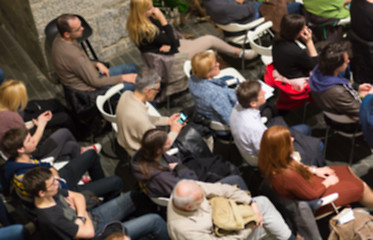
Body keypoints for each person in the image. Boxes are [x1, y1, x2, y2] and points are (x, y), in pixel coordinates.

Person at [22, 167, 169, 240]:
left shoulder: (51, 193)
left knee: (135, 196)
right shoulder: (52, 219)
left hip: (91, 217)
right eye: (52, 183)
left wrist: (80, 217)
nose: (57, 184)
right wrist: (82, 213)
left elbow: (78, 197)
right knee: (154, 221)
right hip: (98, 233)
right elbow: (89, 233)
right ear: (41, 192)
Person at [258, 126, 373, 216]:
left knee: (345, 170)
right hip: (316, 199)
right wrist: (328, 182)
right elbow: (312, 195)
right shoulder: (287, 175)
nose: (293, 140)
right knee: (360, 187)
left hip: (308, 182)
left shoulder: (273, 160)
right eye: (289, 140)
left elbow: (297, 166)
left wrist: (315, 170)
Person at [1, 127, 122, 204]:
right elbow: (56, 191)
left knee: (91, 154)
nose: (33, 140)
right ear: (20, 149)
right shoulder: (25, 176)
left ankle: (99, 194)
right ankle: (103, 204)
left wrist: (53, 173)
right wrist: (55, 176)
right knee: (117, 181)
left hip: (57, 180)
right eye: (29, 140)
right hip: (62, 194)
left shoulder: (19, 160)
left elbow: (45, 165)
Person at [230, 80, 325, 167]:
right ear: (253, 103)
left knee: (305, 128)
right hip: (267, 153)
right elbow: (268, 151)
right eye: (261, 94)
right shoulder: (254, 128)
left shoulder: (238, 106)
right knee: (317, 145)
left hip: (263, 139)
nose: (264, 93)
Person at [0, 80, 100, 159]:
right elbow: (30, 145)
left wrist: (33, 124)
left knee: (63, 121)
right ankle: (80, 148)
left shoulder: (5, 112)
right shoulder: (12, 117)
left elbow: (16, 131)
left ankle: (79, 149)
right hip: (27, 152)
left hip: (18, 145)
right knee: (64, 130)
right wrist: (41, 125)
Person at [126, 0, 257, 60]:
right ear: (141, 11)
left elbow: (167, 37)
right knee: (210, 39)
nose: (155, 9)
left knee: (207, 43)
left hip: (169, 50)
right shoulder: (147, 29)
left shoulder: (136, 22)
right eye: (150, 8)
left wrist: (166, 39)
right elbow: (172, 39)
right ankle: (240, 53)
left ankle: (237, 53)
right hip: (173, 57)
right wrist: (163, 20)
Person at [132, 129, 246, 197]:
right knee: (230, 172)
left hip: (182, 174)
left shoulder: (147, 154)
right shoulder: (160, 177)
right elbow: (189, 187)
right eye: (167, 143)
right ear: (158, 150)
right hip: (190, 187)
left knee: (214, 162)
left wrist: (178, 167)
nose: (170, 142)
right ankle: (245, 197)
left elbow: (175, 161)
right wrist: (179, 168)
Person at [167, 180, 296, 240]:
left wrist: (251, 203)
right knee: (266, 218)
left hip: (223, 215)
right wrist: (249, 224)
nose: (204, 197)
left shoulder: (187, 188)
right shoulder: (186, 230)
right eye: (200, 200)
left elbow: (222, 189)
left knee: (260, 203)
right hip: (225, 233)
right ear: (189, 207)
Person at [51, 13, 138, 92]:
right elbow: (96, 82)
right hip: (92, 90)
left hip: (90, 74)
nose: (82, 28)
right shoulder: (74, 56)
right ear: (67, 34)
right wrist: (123, 78)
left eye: (80, 25)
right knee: (137, 85)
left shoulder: (59, 39)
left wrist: (97, 64)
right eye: (78, 29)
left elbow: (81, 65)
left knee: (131, 67)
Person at [116, 68, 183, 156]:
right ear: (148, 91)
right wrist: (175, 131)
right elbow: (160, 147)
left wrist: (168, 121)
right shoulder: (142, 122)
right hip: (140, 152)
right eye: (157, 90)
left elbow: (144, 116)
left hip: (125, 137)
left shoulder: (126, 94)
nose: (157, 92)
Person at [309, 41, 373, 121]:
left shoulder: (319, 72)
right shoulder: (338, 92)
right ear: (337, 66)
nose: (348, 61)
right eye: (346, 61)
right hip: (353, 121)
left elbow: (344, 85)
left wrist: (357, 87)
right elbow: (361, 110)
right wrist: (369, 96)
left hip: (343, 105)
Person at [188, 52, 236, 125]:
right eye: (215, 65)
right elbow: (231, 120)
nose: (218, 64)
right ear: (207, 73)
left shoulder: (192, 78)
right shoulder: (216, 95)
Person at [202, 0, 302, 31]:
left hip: (237, 17)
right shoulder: (222, 6)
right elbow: (250, 9)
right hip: (251, 19)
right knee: (297, 6)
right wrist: (244, 1)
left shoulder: (207, 2)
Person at [272, 14, 317, 80]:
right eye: (303, 27)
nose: (306, 27)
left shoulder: (277, 39)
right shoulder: (297, 52)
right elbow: (315, 66)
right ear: (298, 32)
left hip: (284, 71)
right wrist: (309, 42)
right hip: (297, 80)